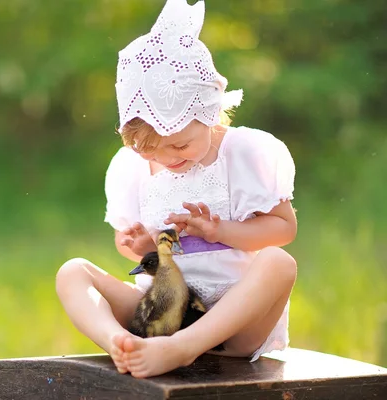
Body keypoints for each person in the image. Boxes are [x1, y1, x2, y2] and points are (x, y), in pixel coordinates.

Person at [55, 0, 297, 379]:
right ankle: (121, 342)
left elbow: (283, 229)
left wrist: (221, 231)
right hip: (161, 309)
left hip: (232, 320)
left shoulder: (243, 154)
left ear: (210, 112)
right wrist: (140, 245)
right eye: (149, 149)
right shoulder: (132, 169)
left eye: (180, 145)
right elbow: (128, 244)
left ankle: (182, 349)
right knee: (73, 272)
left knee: (279, 264)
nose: (167, 159)